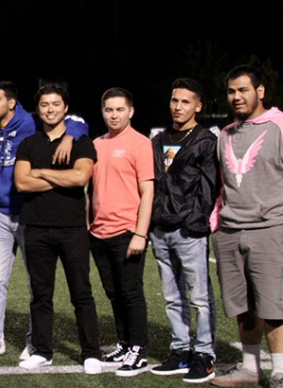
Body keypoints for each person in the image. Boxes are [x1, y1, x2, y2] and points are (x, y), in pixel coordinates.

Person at [0, 80, 87, 363]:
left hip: (31, 213)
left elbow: (78, 121)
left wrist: (70, 136)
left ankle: (35, 342)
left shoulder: (31, 122)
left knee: (36, 284)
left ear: (12, 102)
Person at [12, 84, 101, 373]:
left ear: (65, 108)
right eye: (45, 105)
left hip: (72, 228)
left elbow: (80, 177)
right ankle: (42, 351)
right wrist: (60, 177)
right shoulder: (28, 144)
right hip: (36, 228)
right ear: (38, 110)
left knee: (81, 293)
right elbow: (22, 183)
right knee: (40, 295)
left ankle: (91, 353)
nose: (50, 109)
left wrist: (41, 172)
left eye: (56, 104)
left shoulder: (81, 141)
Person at [211, 65, 283, 387]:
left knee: (274, 304)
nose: (237, 97)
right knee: (243, 306)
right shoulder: (225, 134)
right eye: (231, 91)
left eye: (243, 90)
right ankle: (251, 371)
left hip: (269, 227)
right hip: (229, 231)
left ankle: (281, 371)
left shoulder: (279, 126)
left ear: (260, 91)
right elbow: (224, 184)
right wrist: (216, 223)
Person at [148, 78, 219, 383]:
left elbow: (208, 187)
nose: (178, 106)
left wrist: (194, 223)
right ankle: (180, 350)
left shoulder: (204, 140)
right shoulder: (159, 139)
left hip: (189, 231)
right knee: (172, 296)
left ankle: (205, 354)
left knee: (200, 297)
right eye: (175, 100)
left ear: (198, 106)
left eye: (186, 102)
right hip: (160, 229)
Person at [90, 87, 154, 377]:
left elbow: (148, 189)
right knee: (113, 293)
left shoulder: (140, 143)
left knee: (131, 293)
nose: (114, 115)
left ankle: (138, 349)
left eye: (119, 109)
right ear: (102, 112)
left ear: (131, 111)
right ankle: (124, 342)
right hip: (99, 232)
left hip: (127, 230)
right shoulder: (96, 144)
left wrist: (140, 233)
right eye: (108, 110)